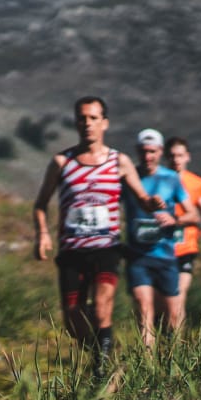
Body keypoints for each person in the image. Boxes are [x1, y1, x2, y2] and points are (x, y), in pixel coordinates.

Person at [32, 97, 168, 376]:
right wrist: (42, 234)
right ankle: (101, 347)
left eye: (93, 118)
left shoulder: (119, 161)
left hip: (106, 247)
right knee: (73, 319)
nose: (87, 124)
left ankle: (102, 370)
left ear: (104, 123)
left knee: (103, 306)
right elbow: (40, 203)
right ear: (75, 122)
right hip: (72, 250)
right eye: (82, 118)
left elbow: (141, 198)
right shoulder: (61, 162)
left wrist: (151, 204)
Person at [123, 129, 199, 348]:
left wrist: (175, 220)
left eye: (153, 152)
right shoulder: (129, 178)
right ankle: (148, 368)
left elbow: (193, 214)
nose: (148, 157)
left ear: (160, 152)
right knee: (144, 309)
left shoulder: (171, 178)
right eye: (144, 151)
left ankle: (175, 366)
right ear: (137, 151)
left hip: (166, 257)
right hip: (138, 257)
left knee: (173, 317)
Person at [166, 136, 201, 299]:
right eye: (172, 155)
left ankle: (178, 326)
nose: (176, 160)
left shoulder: (197, 183)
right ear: (166, 157)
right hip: (160, 246)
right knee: (162, 297)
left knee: (179, 294)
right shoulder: (159, 180)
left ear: (187, 156)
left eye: (180, 155)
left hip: (186, 246)